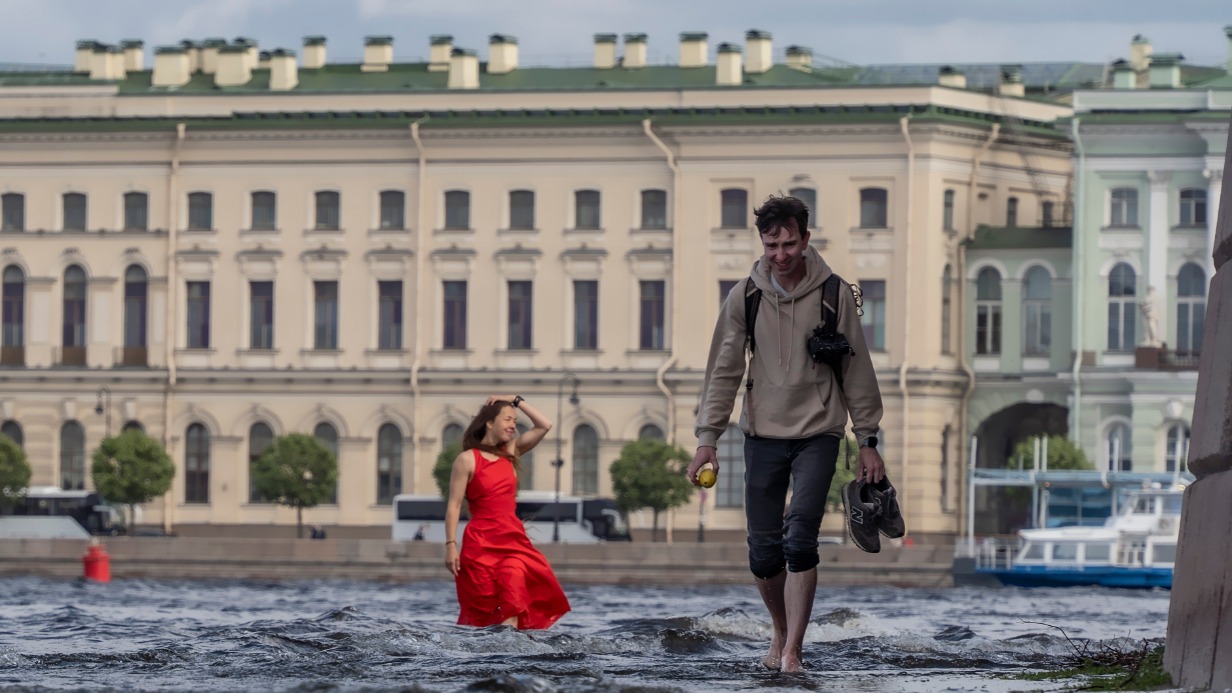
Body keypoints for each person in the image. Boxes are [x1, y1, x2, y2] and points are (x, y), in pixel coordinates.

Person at [688, 194, 886, 673]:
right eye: (772, 244)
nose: (781, 254)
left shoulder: (834, 293)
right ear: (763, 241)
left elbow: (858, 372)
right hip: (760, 433)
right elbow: (723, 371)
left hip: (819, 430)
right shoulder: (745, 296)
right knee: (762, 551)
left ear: (806, 239)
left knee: (800, 538)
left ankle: (793, 649)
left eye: (790, 243)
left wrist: (868, 440)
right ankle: (780, 629)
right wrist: (707, 438)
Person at [444, 395, 571, 630]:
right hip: (480, 545)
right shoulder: (467, 460)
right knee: (487, 611)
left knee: (512, 599)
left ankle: (511, 658)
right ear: (490, 423)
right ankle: (494, 659)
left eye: (515, 421)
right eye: (508, 419)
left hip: (513, 543)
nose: (513, 425)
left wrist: (514, 400)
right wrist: (451, 545)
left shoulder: (511, 452)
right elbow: (453, 505)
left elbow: (544, 425)